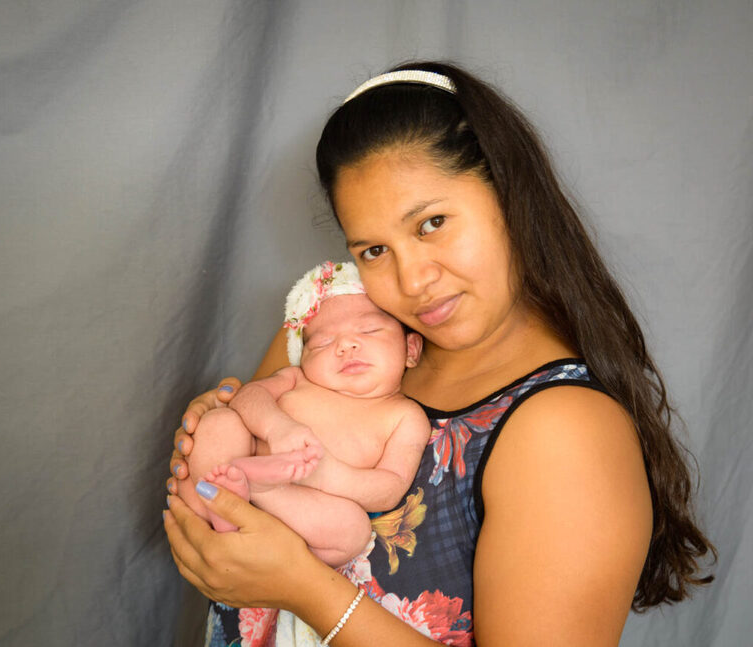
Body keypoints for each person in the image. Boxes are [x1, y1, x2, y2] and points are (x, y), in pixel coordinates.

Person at [164, 62, 715, 646]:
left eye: (431, 223)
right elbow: (236, 521)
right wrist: (224, 427)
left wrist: (307, 590)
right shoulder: (330, 335)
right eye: (375, 249)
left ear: (509, 194)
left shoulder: (564, 429)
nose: (414, 279)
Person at [177, 260, 430, 569]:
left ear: (411, 349)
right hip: (231, 471)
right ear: (302, 356)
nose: (346, 345)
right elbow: (248, 397)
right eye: (322, 342)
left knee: (353, 530)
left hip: (302, 512)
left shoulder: (404, 416)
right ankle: (222, 513)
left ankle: (256, 489)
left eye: (369, 329)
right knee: (219, 422)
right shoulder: (298, 379)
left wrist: (329, 475)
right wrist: (276, 427)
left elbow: (391, 486)